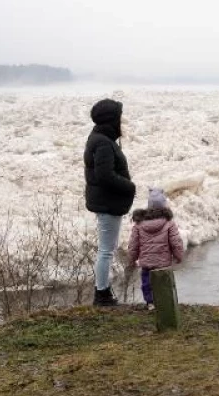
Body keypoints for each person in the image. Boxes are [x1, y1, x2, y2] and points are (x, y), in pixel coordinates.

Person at [84, 98, 136, 307]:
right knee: (106, 250)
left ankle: (103, 291)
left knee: (107, 248)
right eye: (119, 117)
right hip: (107, 203)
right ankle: (102, 294)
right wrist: (129, 186)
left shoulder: (99, 138)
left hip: (106, 201)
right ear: (111, 119)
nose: (121, 121)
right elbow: (104, 175)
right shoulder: (103, 142)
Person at [128, 187, 184, 310]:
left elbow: (133, 245)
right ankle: (165, 303)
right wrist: (179, 256)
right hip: (163, 264)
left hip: (146, 264)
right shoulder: (169, 223)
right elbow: (176, 243)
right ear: (164, 206)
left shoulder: (139, 224)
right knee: (164, 284)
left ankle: (150, 303)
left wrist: (132, 259)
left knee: (147, 284)